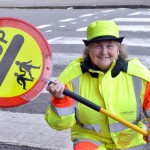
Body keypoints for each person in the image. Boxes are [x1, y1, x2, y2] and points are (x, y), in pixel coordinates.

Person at [45, 20, 150, 150]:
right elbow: (59, 124)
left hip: (130, 140)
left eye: (110, 46)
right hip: (90, 139)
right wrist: (60, 100)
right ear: (88, 50)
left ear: (118, 48)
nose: (104, 52)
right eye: (97, 46)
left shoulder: (137, 73)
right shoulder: (71, 76)